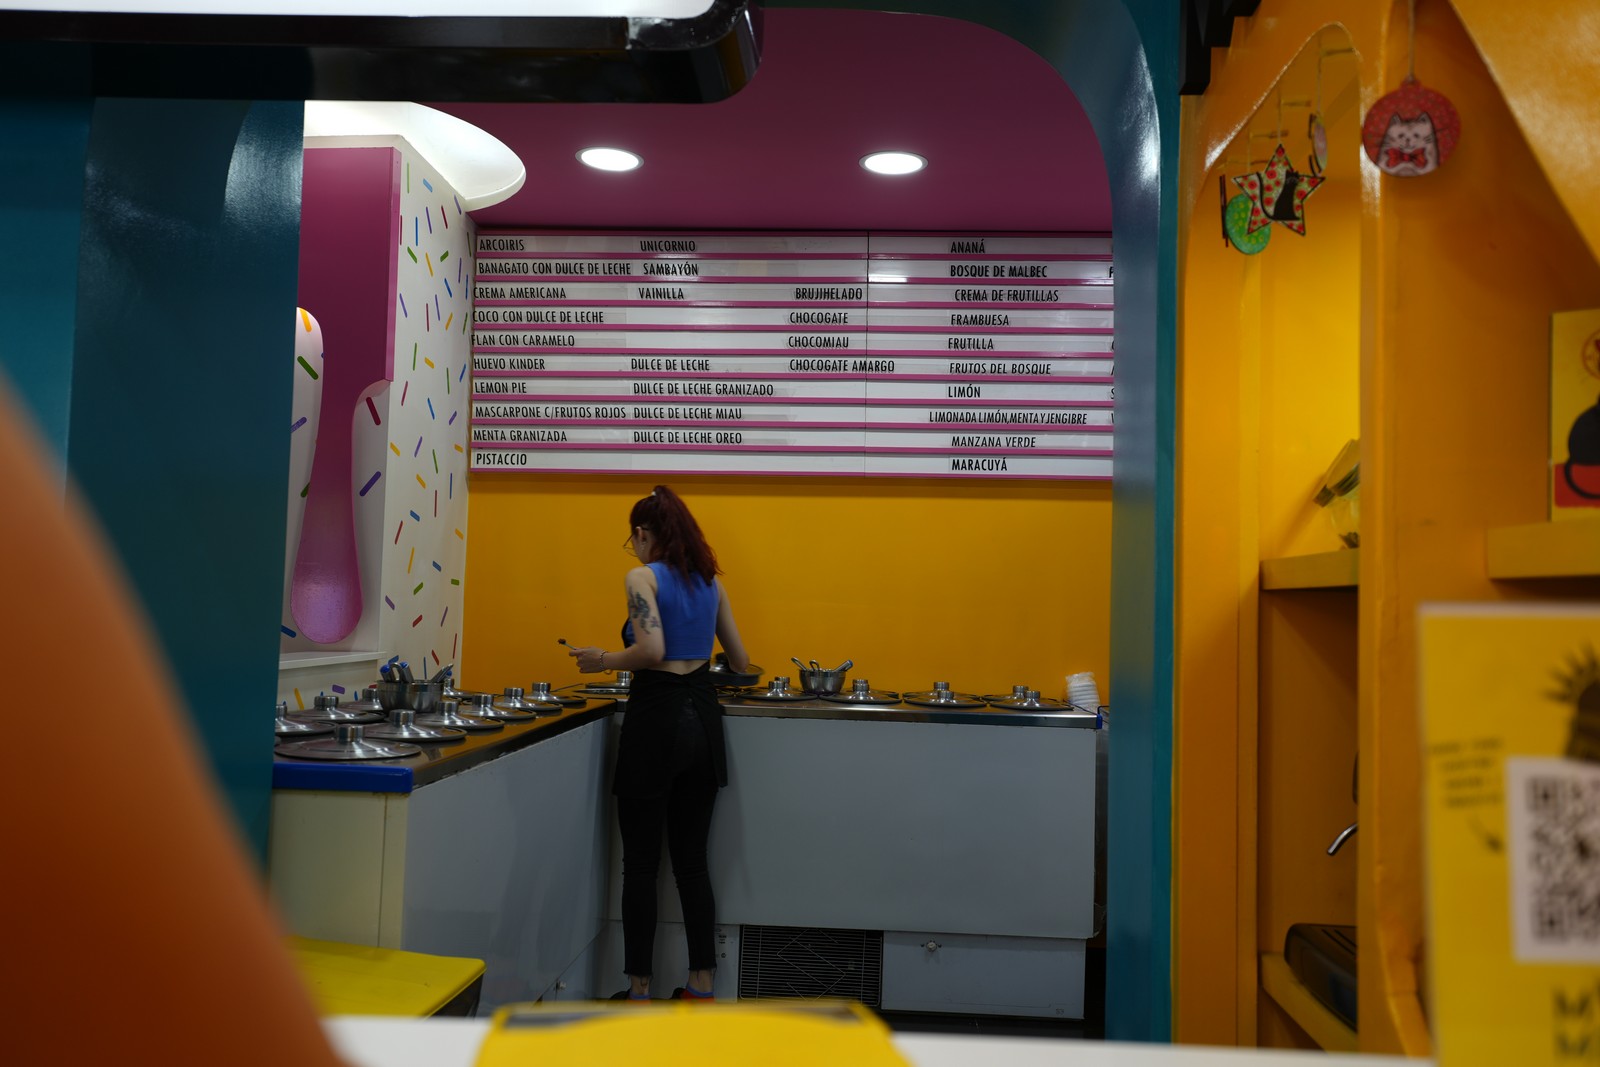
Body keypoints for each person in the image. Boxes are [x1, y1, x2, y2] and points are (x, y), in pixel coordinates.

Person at [568, 485, 750, 1003]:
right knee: (692, 862)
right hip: (704, 723)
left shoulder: (641, 577)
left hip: (656, 722)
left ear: (644, 534)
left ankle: (639, 991)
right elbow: (739, 660)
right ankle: (701, 986)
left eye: (634, 539)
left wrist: (602, 659)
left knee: (642, 864)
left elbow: (650, 649)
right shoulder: (710, 583)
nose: (635, 548)